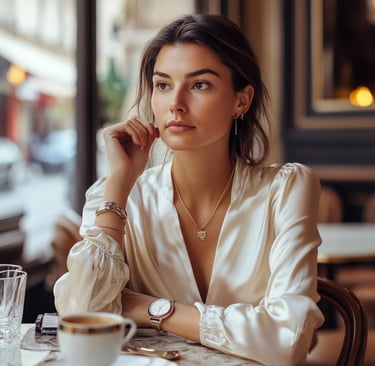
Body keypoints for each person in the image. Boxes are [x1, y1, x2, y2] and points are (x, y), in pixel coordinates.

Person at [54, 14, 324, 365]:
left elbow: (288, 341)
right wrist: (120, 181)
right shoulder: (118, 197)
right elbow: (81, 316)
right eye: (163, 85)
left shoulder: (287, 189)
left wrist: (145, 307)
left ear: (241, 101)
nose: (176, 103)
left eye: (200, 85)